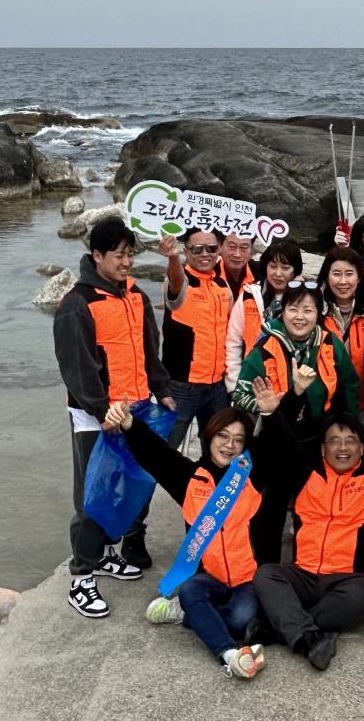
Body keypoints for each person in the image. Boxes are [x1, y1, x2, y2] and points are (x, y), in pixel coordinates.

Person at [107, 393, 289, 679]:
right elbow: (156, 455)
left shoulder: (254, 476)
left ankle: (188, 614)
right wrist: (130, 422)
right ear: (209, 436)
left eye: (238, 440)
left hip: (248, 579)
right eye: (223, 436)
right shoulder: (189, 478)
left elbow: (278, 444)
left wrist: (271, 414)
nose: (229, 445)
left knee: (242, 620)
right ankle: (229, 653)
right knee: (192, 590)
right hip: (209, 577)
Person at [250, 389, 364, 671]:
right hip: (302, 574)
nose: (343, 448)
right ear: (323, 448)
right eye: (334, 441)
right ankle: (312, 636)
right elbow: (285, 442)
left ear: (362, 448)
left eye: (351, 441)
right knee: (266, 575)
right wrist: (271, 414)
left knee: (359, 600)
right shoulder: (306, 473)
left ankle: (283, 628)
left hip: (348, 581)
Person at [53, 217, 178, 616]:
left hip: (136, 409)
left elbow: (150, 351)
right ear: (97, 256)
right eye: (119, 255)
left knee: (128, 489)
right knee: (93, 495)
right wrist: (100, 406)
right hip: (97, 417)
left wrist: (162, 391)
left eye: (130, 254)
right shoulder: (77, 304)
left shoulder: (135, 297)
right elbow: (77, 367)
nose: (126, 262)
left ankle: (106, 555)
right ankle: (82, 577)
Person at [233, 280, 359, 444]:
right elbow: (239, 396)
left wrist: (348, 424)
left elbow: (350, 384)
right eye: (293, 309)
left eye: (308, 310)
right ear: (283, 313)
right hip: (275, 436)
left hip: (320, 436)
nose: (300, 317)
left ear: (318, 314)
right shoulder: (264, 349)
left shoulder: (330, 343)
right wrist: (265, 405)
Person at [161, 227, 235, 455]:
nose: (205, 254)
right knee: (162, 453)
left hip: (217, 388)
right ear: (187, 251)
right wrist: (172, 257)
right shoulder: (181, 281)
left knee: (218, 451)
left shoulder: (222, 286)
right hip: (182, 386)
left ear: (219, 250)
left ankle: (207, 489)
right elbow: (175, 281)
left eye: (212, 248)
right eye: (197, 249)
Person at [225, 238, 302, 391]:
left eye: (286, 268)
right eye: (273, 266)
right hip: (251, 382)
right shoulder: (249, 295)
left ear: (295, 270)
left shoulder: (304, 299)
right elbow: (233, 343)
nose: (278, 273)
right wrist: (234, 386)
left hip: (290, 385)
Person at [317, 245, 364, 405]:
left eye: (349, 274)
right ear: (326, 278)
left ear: (359, 278)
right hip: (326, 406)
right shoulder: (315, 314)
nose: (343, 281)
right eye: (336, 274)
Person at [218, 231, 257, 303]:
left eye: (244, 248)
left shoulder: (261, 272)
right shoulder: (209, 273)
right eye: (232, 247)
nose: (237, 254)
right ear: (220, 246)